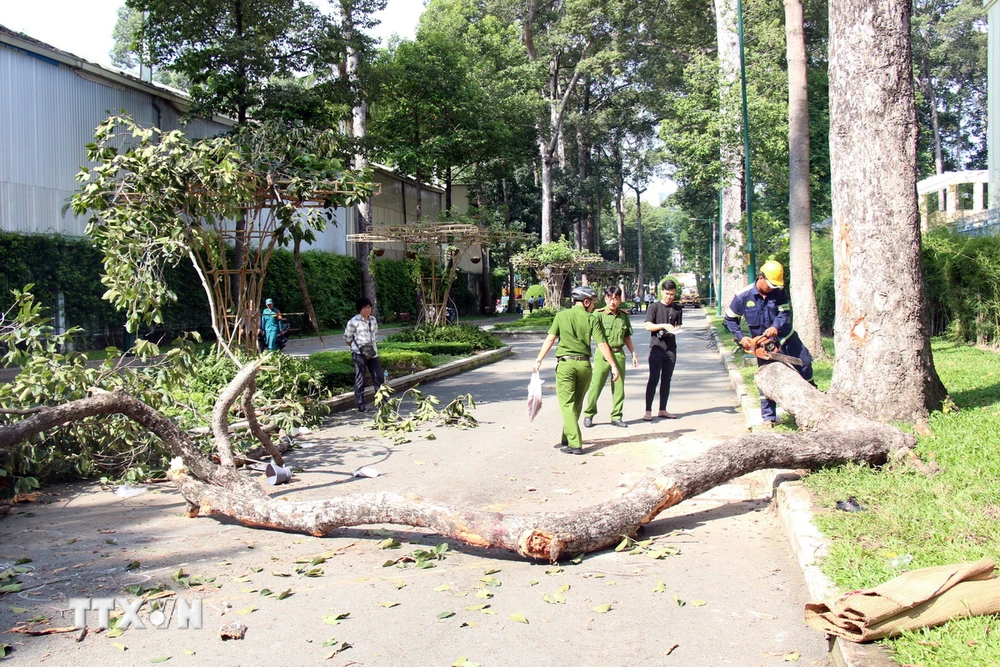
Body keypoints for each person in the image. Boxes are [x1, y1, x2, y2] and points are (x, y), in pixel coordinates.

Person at [724, 260, 814, 428]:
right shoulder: (743, 296)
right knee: (767, 378)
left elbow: (785, 312)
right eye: (770, 284)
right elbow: (730, 319)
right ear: (761, 277)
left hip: (786, 338)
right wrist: (741, 337)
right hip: (763, 346)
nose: (773, 288)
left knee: (805, 365)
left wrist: (775, 327)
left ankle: (814, 403)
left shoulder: (778, 292)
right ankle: (768, 417)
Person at [532, 286, 620, 455]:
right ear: (586, 302)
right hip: (585, 366)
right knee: (576, 404)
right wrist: (614, 366)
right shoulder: (592, 319)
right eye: (592, 302)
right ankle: (566, 438)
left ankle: (575, 443)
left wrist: (539, 360)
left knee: (567, 404)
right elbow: (602, 344)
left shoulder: (561, 316)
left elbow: (550, 339)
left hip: (566, 365)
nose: (593, 305)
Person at [583, 286, 639, 428]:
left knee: (619, 387)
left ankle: (616, 416)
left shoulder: (624, 316)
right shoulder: (598, 314)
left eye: (616, 298)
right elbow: (589, 334)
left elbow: (626, 336)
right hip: (602, 355)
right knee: (596, 385)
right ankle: (589, 414)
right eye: (609, 298)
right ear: (605, 299)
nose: (612, 301)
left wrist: (633, 352)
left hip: (618, 353)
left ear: (620, 299)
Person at [644, 279, 683, 421]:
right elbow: (648, 326)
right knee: (653, 379)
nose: (669, 297)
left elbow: (678, 325)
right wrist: (663, 326)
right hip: (656, 348)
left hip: (671, 348)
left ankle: (663, 409)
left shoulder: (677, 308)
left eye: (672, 294)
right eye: (667, 294)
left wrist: (674, 329)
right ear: (662, 292)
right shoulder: (653, 307)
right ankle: (648, 410)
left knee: (666, 380)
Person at [344, 297, 384, 413]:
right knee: (360, 378)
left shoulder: (373, 320)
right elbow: (347, 338)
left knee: (378, 376)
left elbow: (375, 335)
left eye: (369, 307)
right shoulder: (353, 322)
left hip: (372, 352)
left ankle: (382, 401)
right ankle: (360, 404)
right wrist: (355, 347)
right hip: (359, 353)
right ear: (359, 309)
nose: (368, 309)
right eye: (365, 307)